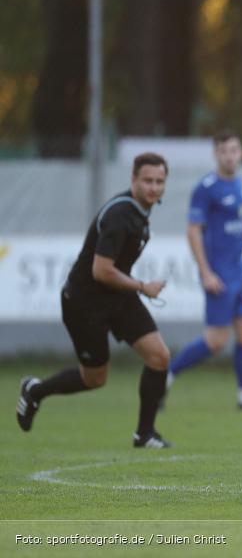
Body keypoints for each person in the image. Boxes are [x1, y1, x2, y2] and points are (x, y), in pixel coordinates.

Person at [16, 153, 174, 448]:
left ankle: (145, 434)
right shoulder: (120, 216)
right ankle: (35, 391)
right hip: (84, 302)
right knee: (95, 379)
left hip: (116, 297)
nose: (154, 187)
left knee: (159, 356)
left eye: (160, 181)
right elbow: (101, 271)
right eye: (148, 180)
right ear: (133, 181)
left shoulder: (140, 213)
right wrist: (142, 286)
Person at [167, 130, 242, 409]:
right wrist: (206, 272)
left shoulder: (238, 184)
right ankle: (166, 376)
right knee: (215, 341)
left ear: (241, 153)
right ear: (216, 154)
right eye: (224, 151)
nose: (229, 155)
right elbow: (193, 231)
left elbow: (238, 229)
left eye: (234, 150)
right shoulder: (206, 188)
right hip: (220, 274)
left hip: (240, 270)